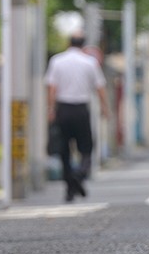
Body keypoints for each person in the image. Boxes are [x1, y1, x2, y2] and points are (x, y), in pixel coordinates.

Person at [46, 34, 110, 202]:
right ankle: (79, 174)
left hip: (63, 109)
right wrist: (105, 107)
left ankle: (69, 188)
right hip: (81, 109)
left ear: (69, 43)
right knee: (87, 147)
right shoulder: (89, 62)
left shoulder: (57, 61)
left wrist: (51, 109)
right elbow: (100, 87)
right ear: (83, 45)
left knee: (64, 150)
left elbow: (52, 88)